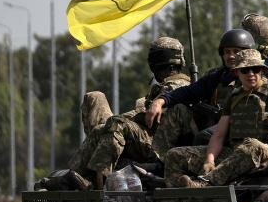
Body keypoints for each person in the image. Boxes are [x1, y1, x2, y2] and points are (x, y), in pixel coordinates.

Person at [69, 37, 191, 188]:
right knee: (95, 98)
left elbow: (149, 118)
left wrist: (121, 119)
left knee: (114, 124)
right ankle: (80, 175)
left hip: (156, 145)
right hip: (142, 138)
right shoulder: (168, 85)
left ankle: (95, 181)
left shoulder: (176, 86)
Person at [164, 49, 268, 188]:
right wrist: (210, 160)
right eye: (245, 70)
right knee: (174, 155)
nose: (251, 74)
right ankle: (178, 194)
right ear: (236, 73)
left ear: (262, 71)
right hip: (235, 153)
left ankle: (204, 184)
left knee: (252, 145)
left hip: (267, 154)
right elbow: (219, 135)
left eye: (256, 69)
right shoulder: (234, 96)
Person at [145, 28, 255, 135]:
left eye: (236, 51)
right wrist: (160, 101)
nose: (231, 56)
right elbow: (187, 92)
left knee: (200, 138)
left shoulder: (256, 78)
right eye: (227, 52)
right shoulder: (218, 77)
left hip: (246, 133)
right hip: (219, 133)